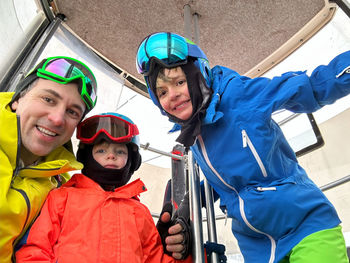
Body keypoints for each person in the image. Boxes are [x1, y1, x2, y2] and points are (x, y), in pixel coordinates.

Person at [136, 32, 350, 262]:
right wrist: (187, 208)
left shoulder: (239, 95)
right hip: (258, 249)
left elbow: (306, 87)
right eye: (162, 92)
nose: (173, 95)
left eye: (180, 82)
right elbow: (226, 181)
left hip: (305, 225)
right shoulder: (194, 136)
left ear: (200, 75)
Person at [15, 112, 192, 262]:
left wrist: (187, 252)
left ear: (131, 160)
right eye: (101, 150)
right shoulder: (62, 197)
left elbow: (156, 259)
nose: (111, 156)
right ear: (86, 156)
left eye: (120, 151)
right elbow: (35, 249)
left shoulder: (139, 212)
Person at [0, 56, 97, 263]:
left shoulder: (61, 189)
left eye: (72, 112)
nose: (57, 118)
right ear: (17, 99)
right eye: (48, 99)